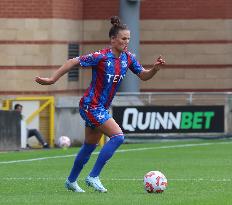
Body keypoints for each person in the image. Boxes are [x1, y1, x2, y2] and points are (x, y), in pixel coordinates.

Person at [35, 16, 165, 193]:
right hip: (90, 105)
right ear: (113, 39)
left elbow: (143, 75)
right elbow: (73, 61)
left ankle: (71, 181)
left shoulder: (128, 58)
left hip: (100, 108)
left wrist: (155, 70)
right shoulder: (101, 57)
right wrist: (52, 79)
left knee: (89, 146)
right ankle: (93, 176)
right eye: (123, 38)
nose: (126, 42)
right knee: (118, 136)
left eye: (128, 39)